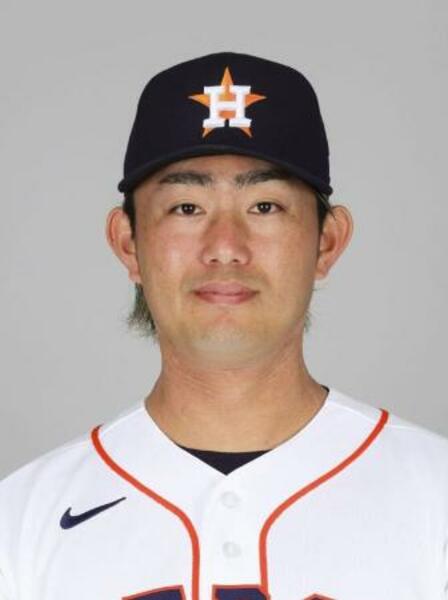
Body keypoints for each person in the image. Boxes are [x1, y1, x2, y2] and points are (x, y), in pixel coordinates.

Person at [0, 51, 447, 600]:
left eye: (265, 207)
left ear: (327, 242)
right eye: (187, 208)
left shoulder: (436, 501)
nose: (226, 248)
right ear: (128, 244)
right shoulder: (20, 524)